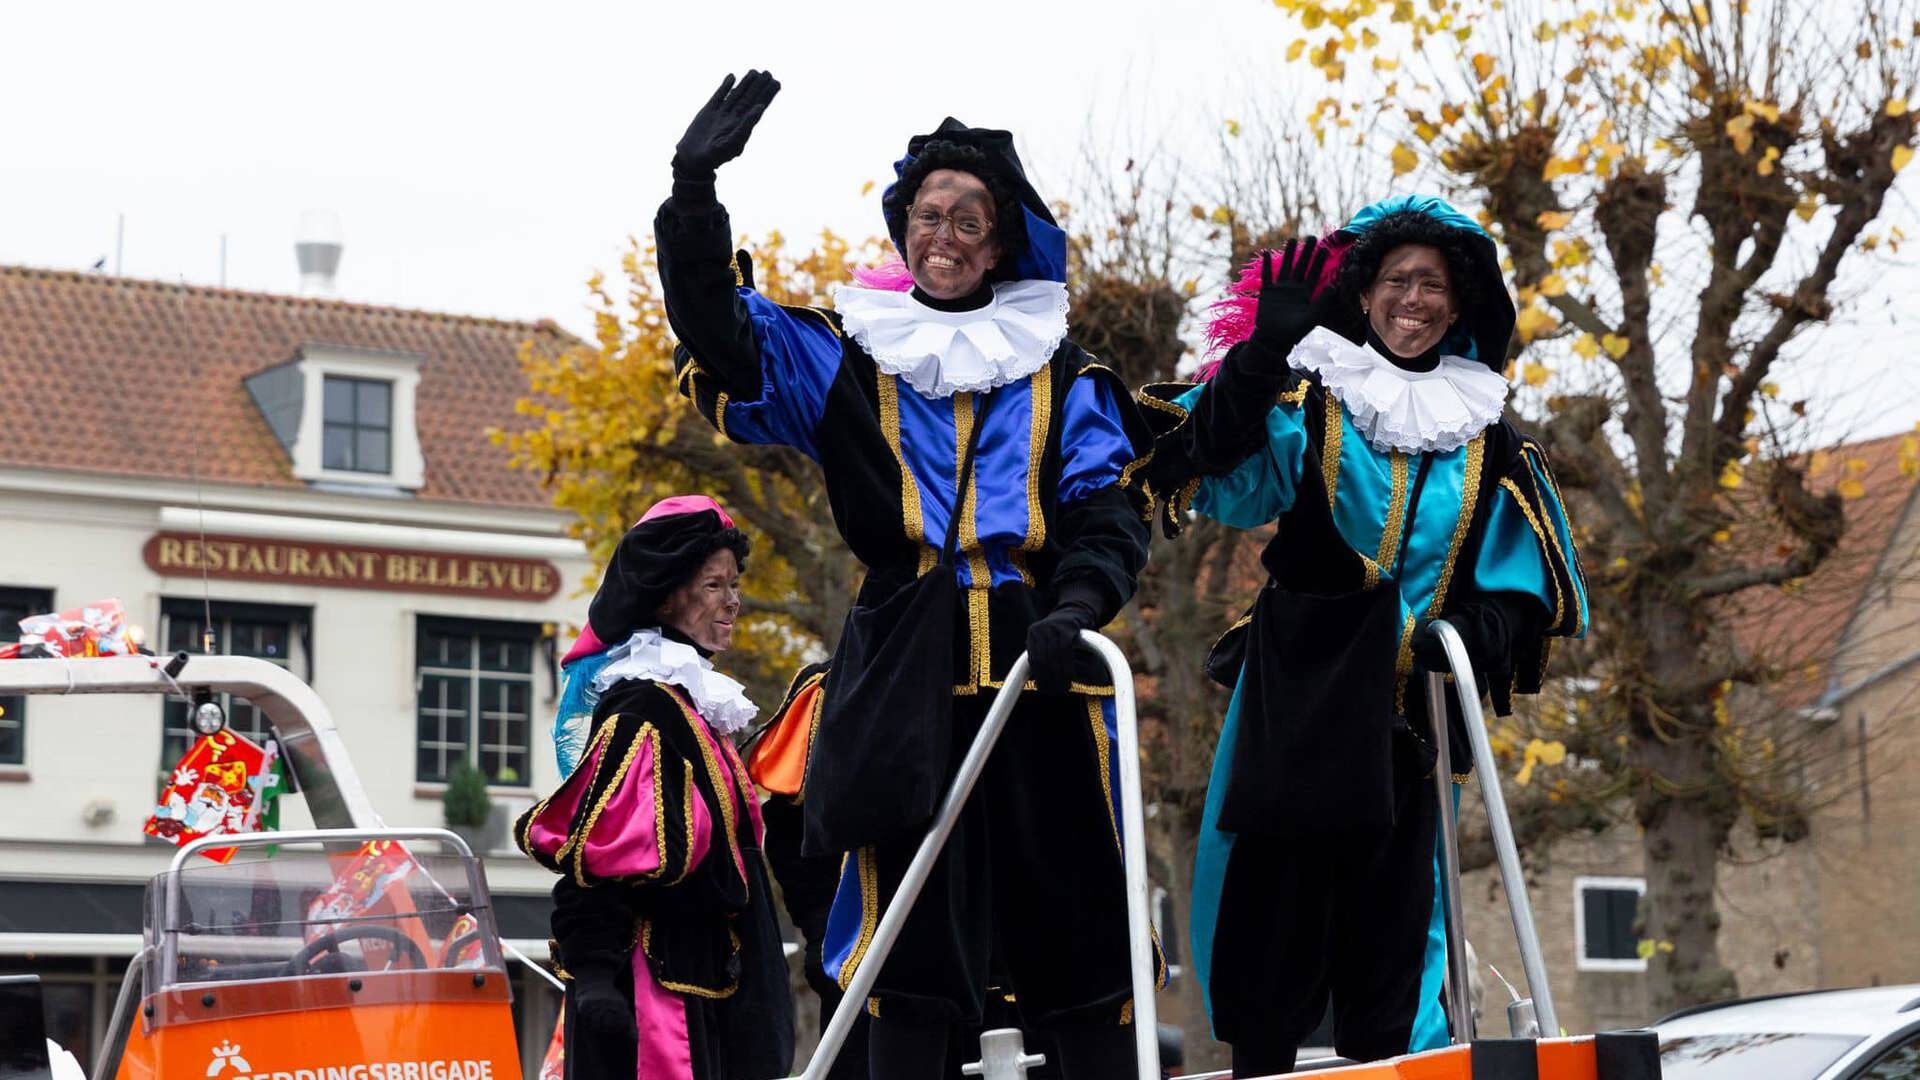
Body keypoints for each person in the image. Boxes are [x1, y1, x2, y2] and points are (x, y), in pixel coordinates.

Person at [656, 70, 1156, 1079]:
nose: (946, 233)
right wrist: (694, 198)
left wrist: (1079, 605)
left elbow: (1107, 515)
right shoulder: (848, 354)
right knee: (907, 943)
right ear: (905, 230)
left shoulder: (1062, 372)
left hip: (1042, 663)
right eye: (928, 214)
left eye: (969, 218)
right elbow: (723, 334)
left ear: (1001, 240)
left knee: (1078, 926)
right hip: (899, 672)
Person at [1135, 195, 1587, 1076]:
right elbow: (1216, 474)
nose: (1412, 299)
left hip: (1411, 716)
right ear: (1366, 295)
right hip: (1299, 697)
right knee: (1271, 921)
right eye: (1394, 281)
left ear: (1457, 306)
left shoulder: (1487, 437)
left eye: (1431, 285)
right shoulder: (1311, 402)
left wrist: (1468, 630)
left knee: (1396, 943)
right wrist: (1263, 356)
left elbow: (1525, 586)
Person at [515, 495, 793, 1080]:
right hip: (658, 992)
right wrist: (594, 977)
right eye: (714, 585)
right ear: (666, 594)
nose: (733, 601)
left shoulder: (693, 707)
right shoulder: (645, 706)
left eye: (734, 584)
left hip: (710, 982)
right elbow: (599, 854)